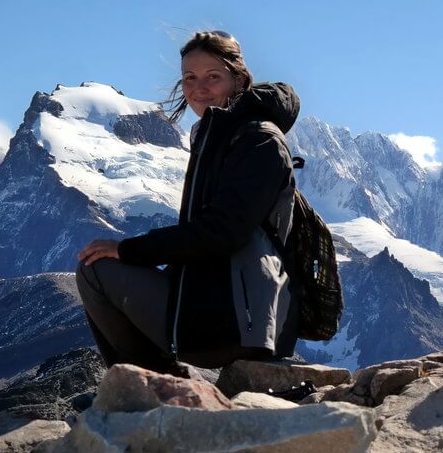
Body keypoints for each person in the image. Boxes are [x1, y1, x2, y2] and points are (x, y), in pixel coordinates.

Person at [75, 30, 301, 372]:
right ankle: (153, 386)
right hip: (222, 306)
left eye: (213, 77)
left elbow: (223, 232)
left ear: (238, 79)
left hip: (241, 321)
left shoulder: (258, 140)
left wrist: (129, 250)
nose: (199, 88)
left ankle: (151, 389)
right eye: (189, 78)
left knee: (97, 270)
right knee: (97, 264)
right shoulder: (218, 135)